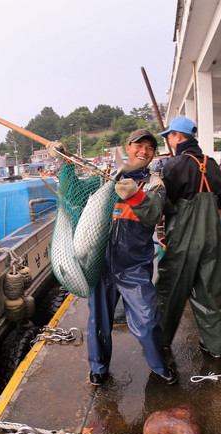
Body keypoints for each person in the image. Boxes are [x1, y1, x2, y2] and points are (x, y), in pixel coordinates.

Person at [46, 130, 176, 386]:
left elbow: (153, 215)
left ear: (153, 154)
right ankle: (98, 368)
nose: (144, 150)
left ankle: (160, 365)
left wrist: (135, 194)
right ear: (128, 148)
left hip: (134, 266)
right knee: (98, 321)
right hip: (100, 262)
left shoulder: (155, 184)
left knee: (148, 320)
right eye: (139, 145)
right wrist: (63, 161)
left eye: (150, 147)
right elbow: (73, 193)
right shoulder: (103, 178)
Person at [156, 117, 221, 358]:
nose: (167, 139)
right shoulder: (213, 163)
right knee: (210, 289)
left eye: (169, 135)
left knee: (171, 288)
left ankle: (161, 342)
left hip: (184, 236)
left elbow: (164, 204)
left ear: (178, 136)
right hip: (213, 236)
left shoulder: (173, 165)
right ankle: (214, 346)